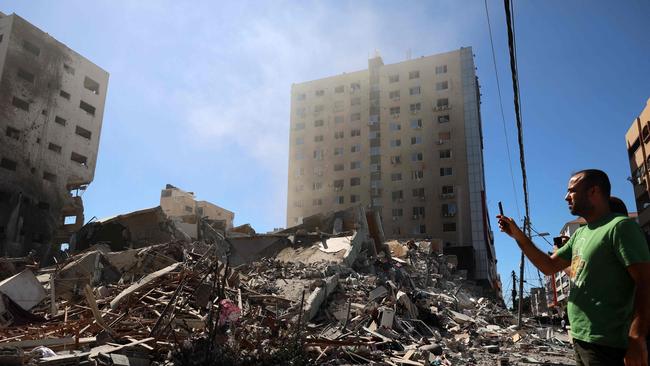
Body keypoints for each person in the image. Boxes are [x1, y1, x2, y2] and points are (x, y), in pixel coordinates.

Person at [498, 169, 650, 366]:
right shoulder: (580, 234)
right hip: (581, 337)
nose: (566, 197)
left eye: (572, 191)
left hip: (608, 342)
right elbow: (548, 266)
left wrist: (637, 337)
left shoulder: (620, 228)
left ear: (593, 192)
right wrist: (518, 235)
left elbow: (645, 282)